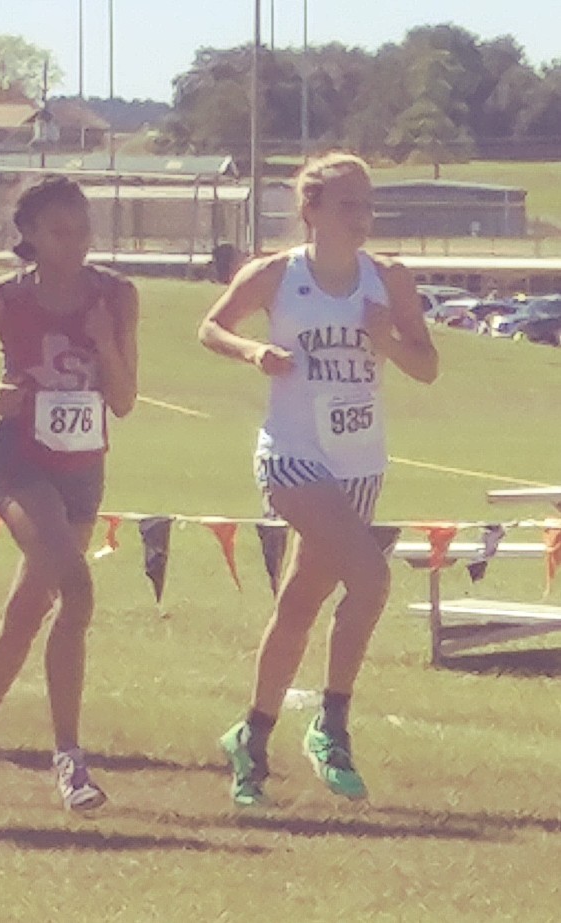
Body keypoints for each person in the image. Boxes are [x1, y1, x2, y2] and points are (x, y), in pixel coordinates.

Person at [198, 152, 438, 807]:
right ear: (311, 209)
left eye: (368, 204)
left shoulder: (388, 279)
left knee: (300, 602)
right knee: (372, 578)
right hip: (291, 454)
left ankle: (250, 736)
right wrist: (254, 351)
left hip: (359, 461)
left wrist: (387, 342)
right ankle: (330, 724)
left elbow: (427, 367)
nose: (362, 216)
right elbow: (211, 326)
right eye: (347, 204)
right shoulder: (277, 275)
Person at [0, 176, 139, 811]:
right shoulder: (3, 297)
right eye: (59, 232)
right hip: (19, 465)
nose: (75, 243)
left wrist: (105, 342)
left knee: (26, 614)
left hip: (83, 468)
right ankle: (70, 760)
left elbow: (124, 401)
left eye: (83, 230)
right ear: (30, 235)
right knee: (77, 590)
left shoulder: (116, 295)